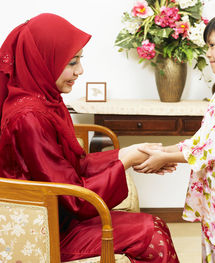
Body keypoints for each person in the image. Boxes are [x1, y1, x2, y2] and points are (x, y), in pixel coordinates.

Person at [0, 13, 179, 263]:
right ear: (42, 60)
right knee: (151, 234)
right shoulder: (29, 117)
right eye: (71, 63)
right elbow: (73, 198)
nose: (80, 71)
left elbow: (72, 167)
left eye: (79, 61)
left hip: (59, 218)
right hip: (45, 231)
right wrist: (125, 163)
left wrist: (126, 153)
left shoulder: (44, 102)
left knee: (154, 226)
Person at [134, 10, 215, 263]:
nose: (208, 52)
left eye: (213, 45)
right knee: (212, 253)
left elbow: (209, 152)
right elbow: (201, 140)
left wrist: (163, 158)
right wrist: (163, 150)